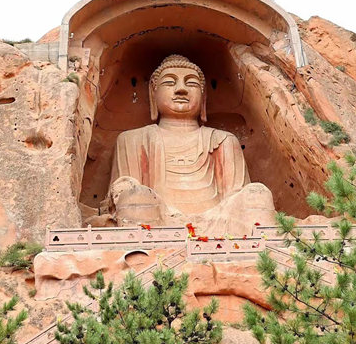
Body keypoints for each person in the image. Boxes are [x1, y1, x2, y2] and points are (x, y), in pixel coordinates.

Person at [107, 54, 276, 236]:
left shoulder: (223, 140)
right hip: (159, 220)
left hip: (219, 222)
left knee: (257, 193)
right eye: (170, 83)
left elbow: (236, 197)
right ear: (153, 94)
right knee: (136, 195)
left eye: (192, 83)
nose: (181, 89)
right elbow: (122, 193)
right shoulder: (132, 139)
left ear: (203, 98)